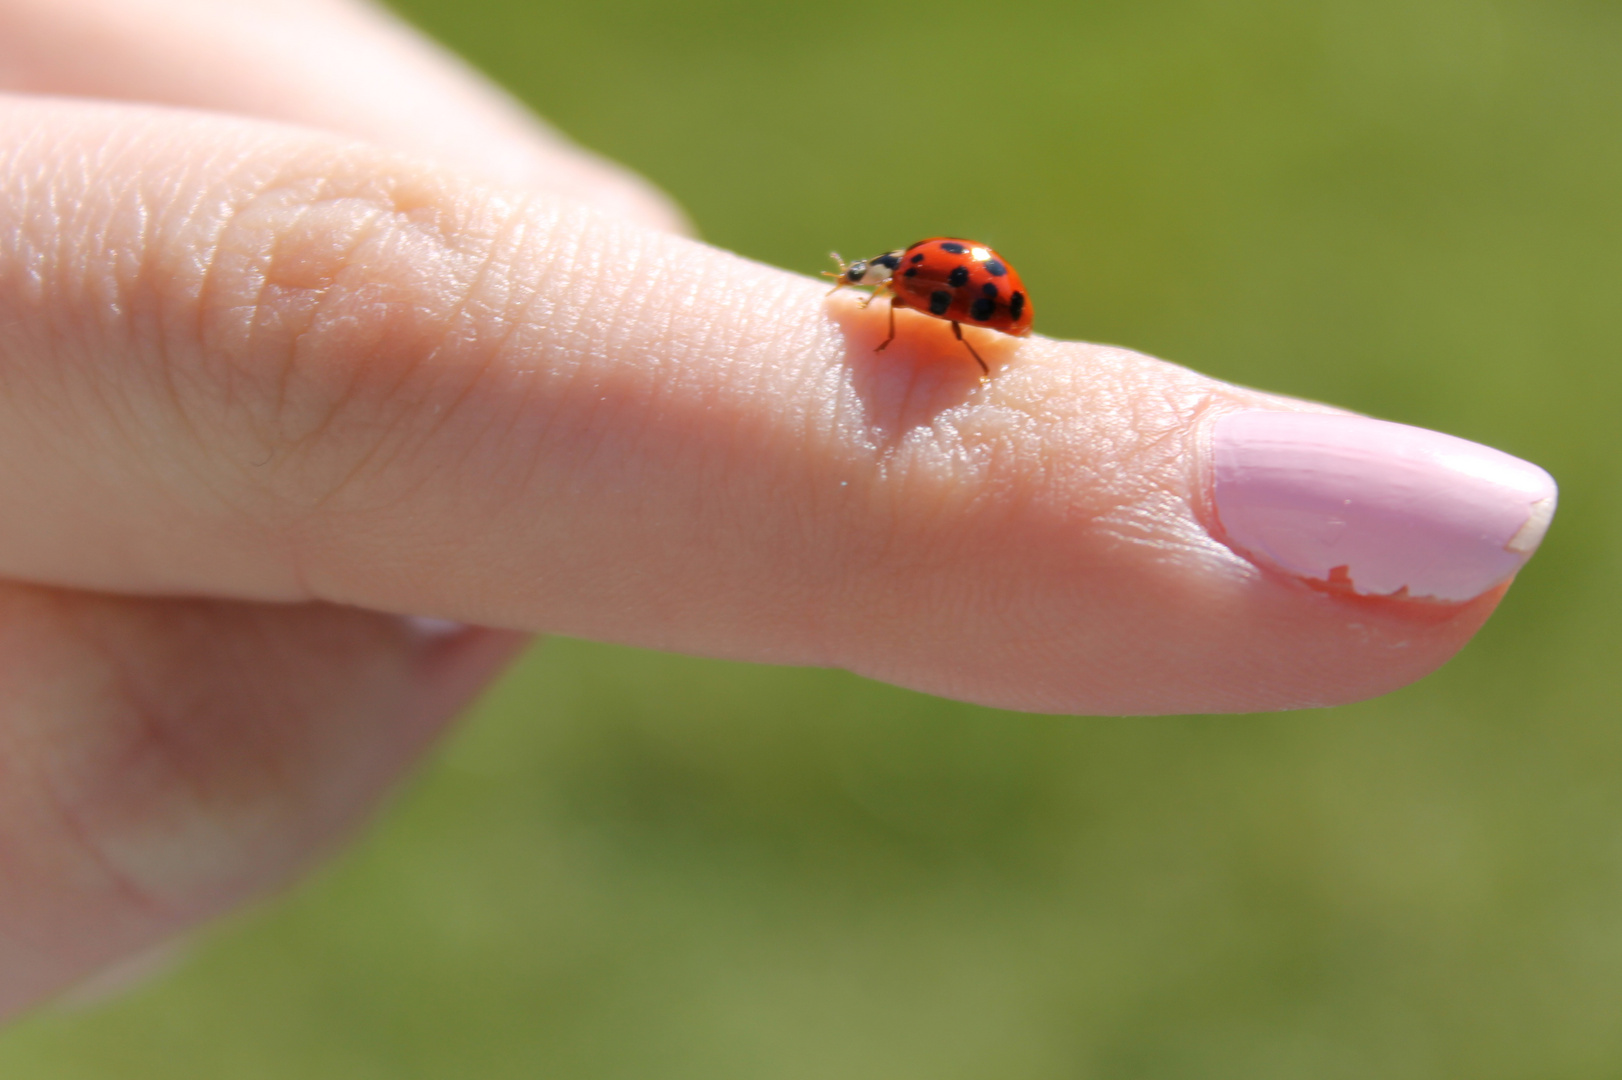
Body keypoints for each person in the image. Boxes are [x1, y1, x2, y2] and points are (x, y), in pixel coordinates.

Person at [0, 0, 1555, 1018]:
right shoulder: (918, 296)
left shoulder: (931, 306)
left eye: (886, 285)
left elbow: (964, 324)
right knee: (342, 329)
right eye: (892, 286)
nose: (882, 295)